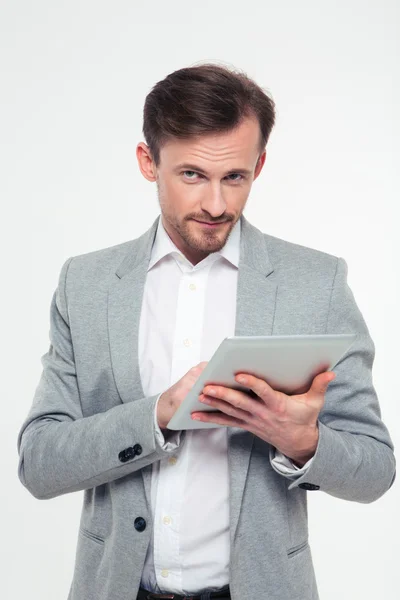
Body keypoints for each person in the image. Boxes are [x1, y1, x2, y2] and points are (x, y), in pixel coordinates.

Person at [17, 63, 396, 600]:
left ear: (259, 165)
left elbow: (376, 470)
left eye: (234, 177)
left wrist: (302, 442)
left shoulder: (318, 283)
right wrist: (157, 415)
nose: (217, 205)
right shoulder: (88, 284)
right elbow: (39, 464)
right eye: (193, 174)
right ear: (149, 162)